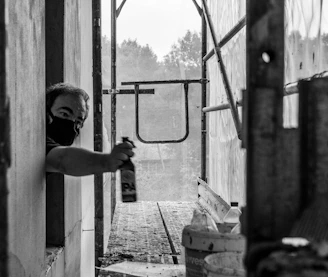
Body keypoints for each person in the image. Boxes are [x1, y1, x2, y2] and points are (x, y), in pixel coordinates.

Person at [46, 82, 134, 176]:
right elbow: (61, 160)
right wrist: (106, 162)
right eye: (64, 114)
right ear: (46, 113)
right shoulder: (37, 144)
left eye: (78, 122)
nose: (71, 124)